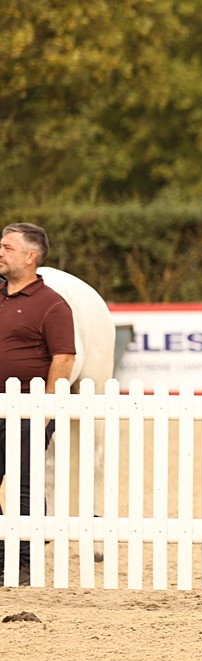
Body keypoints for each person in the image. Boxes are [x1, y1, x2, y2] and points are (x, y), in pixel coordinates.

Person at [0, 223, 76, 584]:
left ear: (31, 257)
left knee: (24, 483)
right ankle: (3, 555)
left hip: (30, 409)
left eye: (7, 247)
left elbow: (63, 358)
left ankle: (26, 561)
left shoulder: (53, 305)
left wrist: (47, 410)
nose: (0, 252)